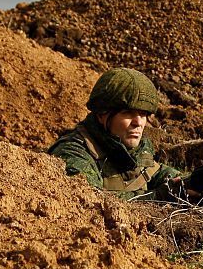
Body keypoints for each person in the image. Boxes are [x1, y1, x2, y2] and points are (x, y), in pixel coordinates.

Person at [49, 68, 184, 201]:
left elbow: (153, 172)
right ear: (102, 115)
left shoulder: (131, 148)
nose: (138, 122)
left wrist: (185, 183)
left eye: (143, 114)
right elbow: (93, 201)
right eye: (127, 113)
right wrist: (159, 196)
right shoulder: (73, 153)